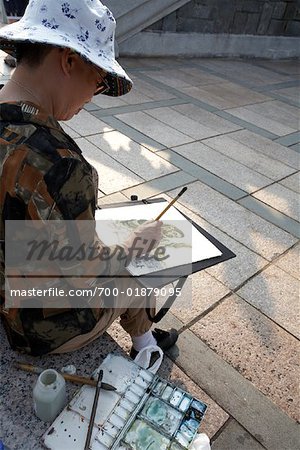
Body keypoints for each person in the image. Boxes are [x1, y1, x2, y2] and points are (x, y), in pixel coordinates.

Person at [0, 0, 178, 358]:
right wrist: (132, 247)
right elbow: (84, 277)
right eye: (97, 83)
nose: (92, 98)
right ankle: (146, 347)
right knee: (141, 260)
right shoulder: (60, 163)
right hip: (39, 327)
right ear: (68, 61)